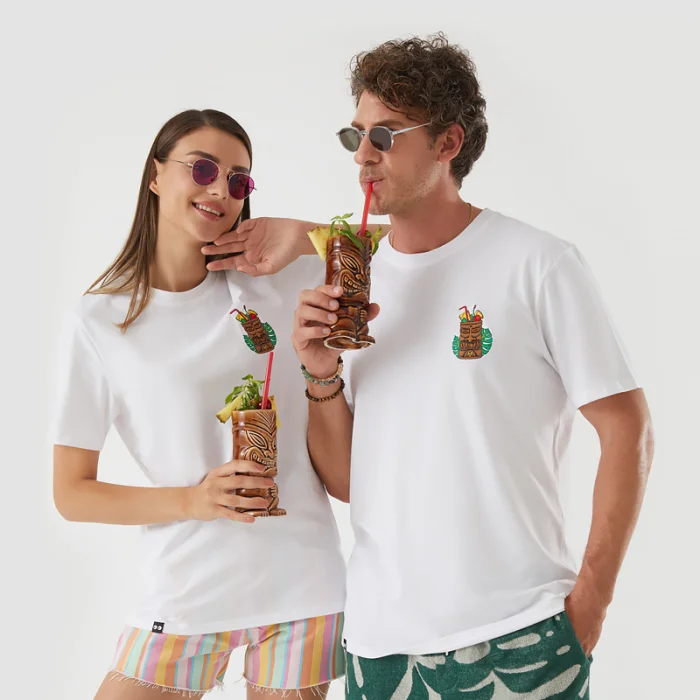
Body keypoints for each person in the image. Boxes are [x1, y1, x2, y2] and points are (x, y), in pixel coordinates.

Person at [285, 34, 653, 699]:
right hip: (378, 648)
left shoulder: (537, 263)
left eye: (385, 135)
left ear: (448, 143)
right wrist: (320, 372)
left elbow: (627, 427)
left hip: (519, 636)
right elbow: (348, 482)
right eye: (355, 136)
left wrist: (590, 607)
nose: (363, 155)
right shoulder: (355, 284)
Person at [50, 109, 349, 699]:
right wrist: (194, 500)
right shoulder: (99, 321)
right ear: (155, 174)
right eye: (203, 169)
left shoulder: (281, 280)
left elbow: (415, 254)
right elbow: (72, 492)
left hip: (302, 585)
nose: (221, 190)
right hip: (183, 588)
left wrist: (303, 234)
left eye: (239, 180)